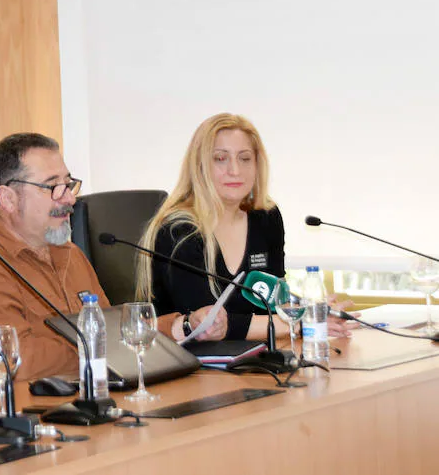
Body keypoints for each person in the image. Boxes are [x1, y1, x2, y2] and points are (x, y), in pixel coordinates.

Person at [137, 113, 355, 342]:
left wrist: (316, 312)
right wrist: (299, 321)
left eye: (245, 158)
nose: (235, 170)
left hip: (254, 359)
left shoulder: (266, 217)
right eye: (220, 159)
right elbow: (210, 326)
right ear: (199, 167)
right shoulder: (178, 230)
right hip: (190, 367)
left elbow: (275, 301)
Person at [0, 133, 110, 389]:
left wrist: (179, 327)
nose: (69, 198)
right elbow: (20, 362)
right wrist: (98, 348)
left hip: (81, 402)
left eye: (69, 184)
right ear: (8, 198)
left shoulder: (70, 253)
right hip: (12, 417)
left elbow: (111, 326)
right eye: (53, 187)